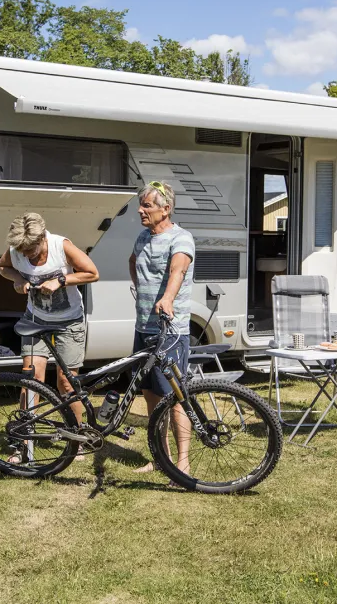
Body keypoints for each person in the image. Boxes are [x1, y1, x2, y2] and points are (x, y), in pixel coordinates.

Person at [0, 213, 100, 435]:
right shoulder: (17, 250)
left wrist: (60, 281)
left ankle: (77, 436)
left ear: (42, 237)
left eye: (30, 250)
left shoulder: (60, 246)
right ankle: (25, 437)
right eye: (22, 251)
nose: (25, 254)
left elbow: (92, 273)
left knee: (67, 383)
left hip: (69, 321)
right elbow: (3, 267)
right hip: (35, 319)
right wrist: (18, 280)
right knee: (31, 377)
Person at [129, 180, 195, 480]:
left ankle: (183, 462)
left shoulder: (181, 238)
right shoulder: (142, 237)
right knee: (151, 395)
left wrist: (167, 298)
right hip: (143, 327)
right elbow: (133, 262)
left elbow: (177, 270)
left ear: (166, 209)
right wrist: (140, 287)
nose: (141, 211)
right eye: (141, 205)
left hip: (170, 331)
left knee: (175, 397)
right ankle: (160, 456)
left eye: (147, 206)